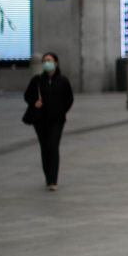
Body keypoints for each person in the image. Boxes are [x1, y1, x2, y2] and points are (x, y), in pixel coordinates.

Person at [23, 53, 74, 191]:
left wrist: (62, 111)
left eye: (49, 60)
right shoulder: (37, 80)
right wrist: (35, 102)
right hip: (40, 120)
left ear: (56, 63)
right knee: (45, 148)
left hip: (57, 120)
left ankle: (53, 180)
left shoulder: (63, 81)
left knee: (53, 146)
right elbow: (27, 95)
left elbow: (69, 99)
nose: (46, 63)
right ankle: (48, 176)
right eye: (44, 61)